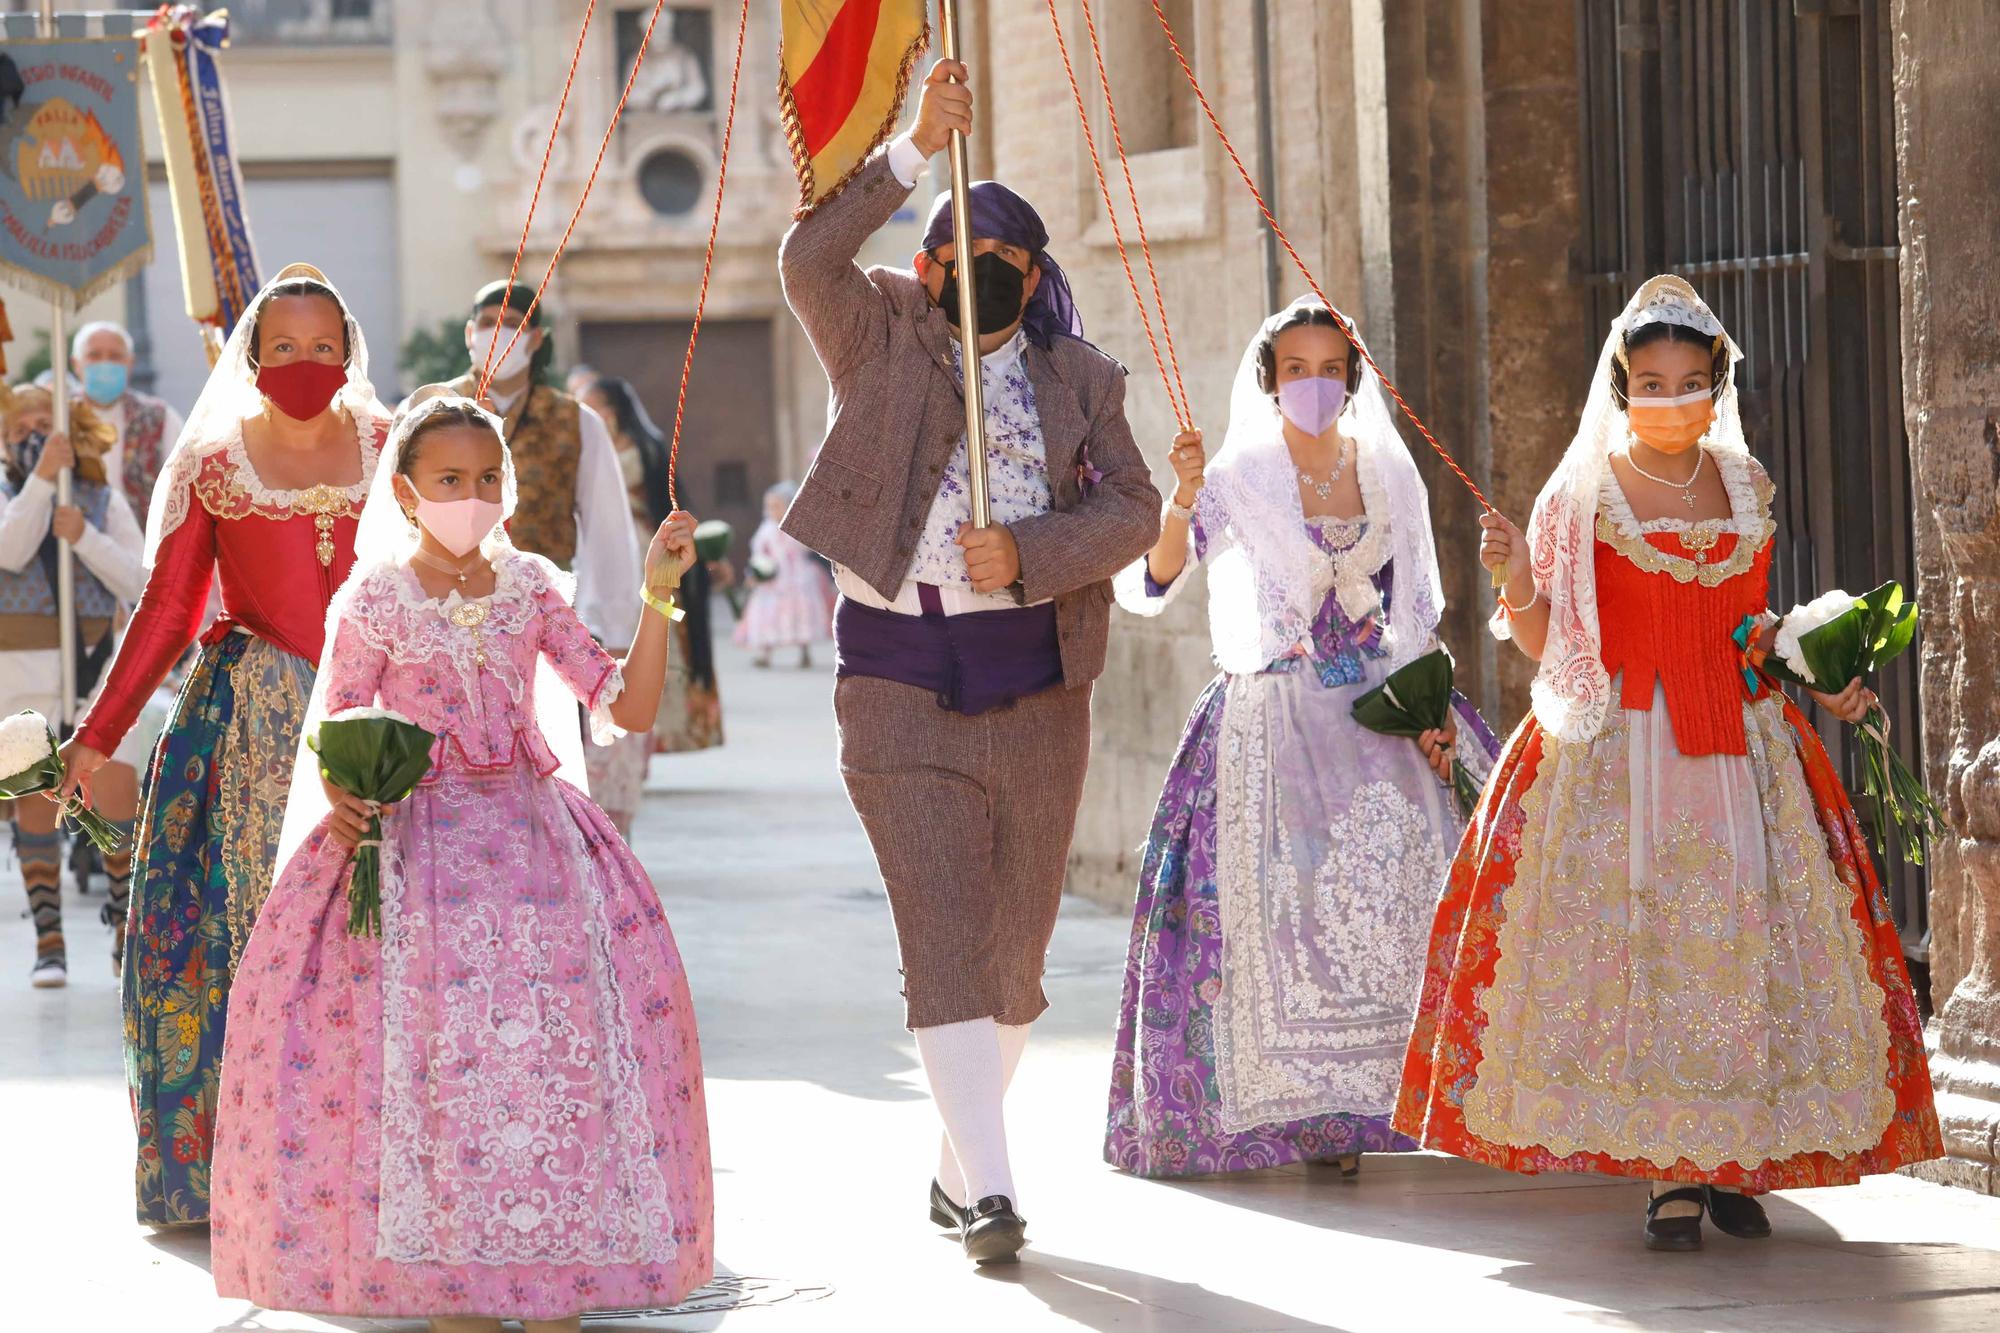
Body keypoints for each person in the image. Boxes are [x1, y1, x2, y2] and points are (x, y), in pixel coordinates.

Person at [1394, 275, 1941, 1250]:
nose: (1669, 397)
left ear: (1716, 384)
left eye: (1689, 380)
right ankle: (1665, 1171)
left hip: (1739, 740)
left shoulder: (1746, 483)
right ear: (1621, 383)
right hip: (1623, 740)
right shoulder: (1582, 491)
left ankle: (1733, 1155)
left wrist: (1820, 674)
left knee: (1741, 943)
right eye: (1649, 381)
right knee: (1644, 947)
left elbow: (1750, 624)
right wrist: (1512, 576)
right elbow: (1542, 637)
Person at [209, 395, 712, 1332]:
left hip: (544, 866)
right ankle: (454, 1289)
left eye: (487, 481)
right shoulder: (375, 599)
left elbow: (626, 708)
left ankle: (554, 1274)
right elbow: (340, 726)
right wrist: (348, 798)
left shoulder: (527, 586)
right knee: (439, 1077)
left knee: (550, 1072)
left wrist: (655, 594)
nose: (472, 498)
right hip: (413, 866)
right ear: (405, 492)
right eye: (450, 482)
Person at [779, 59, 1160, 1264]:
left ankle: (956, 1167)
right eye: (945, 250)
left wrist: (1034, 550)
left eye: (993, 254)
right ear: (924, 264)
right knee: (941, 933)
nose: (963, 270)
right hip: (894, 670)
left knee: (1014, 957)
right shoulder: (876, 331)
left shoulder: (1080, 379)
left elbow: (1138, 510)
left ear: (1033, 273)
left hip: (1038, 681)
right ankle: (996, 1193)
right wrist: (905, 147)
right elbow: (806, 261)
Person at [1105, 300, 1501, 1179]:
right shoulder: (1236, 477)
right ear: (1270, 380)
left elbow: (1414, 615)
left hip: (1382, 718)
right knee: (1279, 920)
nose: (1314, 384)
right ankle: (1308, 1118)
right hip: (1271, 723)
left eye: (1330, 368)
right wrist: (1179, 499)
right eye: (1296, 370)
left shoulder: (1391, 476)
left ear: (1352, 378)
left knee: (1394, 905)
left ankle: (1386, 1103)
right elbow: (1151, 581)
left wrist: (1432, 714)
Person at [57, 264, 392, 1227]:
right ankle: (255, 1169)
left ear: (348, 350)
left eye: (322, 347)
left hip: (382, 719)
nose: (304, 363)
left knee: (385, 939)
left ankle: (382, 1162)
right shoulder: (215, 462)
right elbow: (168, 609)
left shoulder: (390, 447)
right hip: (251, 721)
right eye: (282, 348)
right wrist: (97, 735)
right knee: (244, 941)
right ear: (251, 357)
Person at [407, 284, 645, 830]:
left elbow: (608, 529)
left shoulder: (576, 422)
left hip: (537, 623)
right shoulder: (435, 411)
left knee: (541, 762)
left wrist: (611, 624)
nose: (497, 333)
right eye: (486, 321)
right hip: (441, 616)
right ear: (469, 333)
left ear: (535, 339)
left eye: (511, 322)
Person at [1, 387, 144, 985]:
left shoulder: (102, 500)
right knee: (33, 801)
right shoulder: (10, 493)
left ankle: (121, 929)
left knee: (111, 794)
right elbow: (10, 550)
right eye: (25, 425)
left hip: (94, 666)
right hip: (23, 670)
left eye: (48, 424)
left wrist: (83, 534)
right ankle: (49, 941)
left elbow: (140, 581)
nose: (36, 432)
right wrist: (40, 482)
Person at [583, 374, 724, 754]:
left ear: (612, 410)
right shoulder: (586, 446)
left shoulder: (646, 446)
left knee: (655, 627)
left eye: (594, 404)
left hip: (644, 543)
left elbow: (668, 496)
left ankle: (656, 730)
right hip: (600, 548)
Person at [70, 320, 184, 521]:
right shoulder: (58, 417)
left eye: (115, 356)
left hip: (144, 543)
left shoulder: (159, 417)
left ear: (130, 363)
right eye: (94, 355)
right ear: (76, 364)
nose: (105, 363)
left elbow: (184, 481)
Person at [734, 480, 831, 669]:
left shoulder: (795, 527)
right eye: (769, 506)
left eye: (777, 506)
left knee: (799, 612)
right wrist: (755, 572)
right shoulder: (766, 530)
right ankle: (765, 652)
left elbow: (806, 548)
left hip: (797, 578)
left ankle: (804, 650)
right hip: (772, 580)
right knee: (768, 613)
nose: (772, 510)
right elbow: (759, 552)